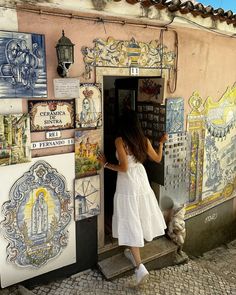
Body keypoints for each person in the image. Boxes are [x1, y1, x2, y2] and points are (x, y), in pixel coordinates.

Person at [97, 110, 168, 286]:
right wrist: (160, 144)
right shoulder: (144, 140)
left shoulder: (120, 140)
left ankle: (139, 266)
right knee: (139, 214)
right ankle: (132, 250)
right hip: (141, 180)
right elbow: (158, 159)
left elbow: (124, 168)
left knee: (130, 219)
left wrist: (105, 164)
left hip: (128, 183)